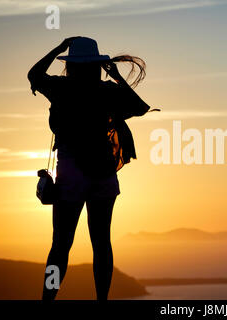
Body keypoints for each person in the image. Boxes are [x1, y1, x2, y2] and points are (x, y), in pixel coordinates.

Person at [28, 37, 152, 300]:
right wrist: (117, 77)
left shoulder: (61, 87)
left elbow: (34, 75)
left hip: (71, 173)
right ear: (97, 64)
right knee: (102, 244)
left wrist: (59, 48)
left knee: (60, 246)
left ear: (70, 64)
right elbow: (140, 108)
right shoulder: (107, 91)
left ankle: (47, 298)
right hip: (103, 173)